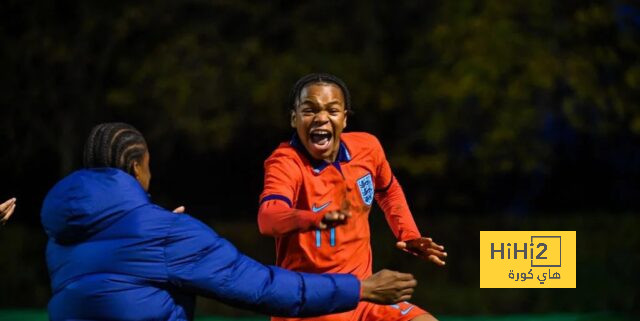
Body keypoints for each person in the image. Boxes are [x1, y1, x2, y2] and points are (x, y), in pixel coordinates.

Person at [41, 122, 418, 321]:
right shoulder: (166, 235)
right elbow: (261, 287)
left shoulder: (61, 238)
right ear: (138, 166)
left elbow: (120, 277)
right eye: (149, 169)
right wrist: (359, 290)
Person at [258, 73, 448, 321]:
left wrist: (408, 233)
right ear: (294, 118)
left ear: (344, 118)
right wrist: (313, 219)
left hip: (365, 296)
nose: (321, 118)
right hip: (312, 306)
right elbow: (268, 218)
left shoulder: (367, 148)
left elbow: (388, 190)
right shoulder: (285, 163)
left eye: (332, 110)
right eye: (309, 110)